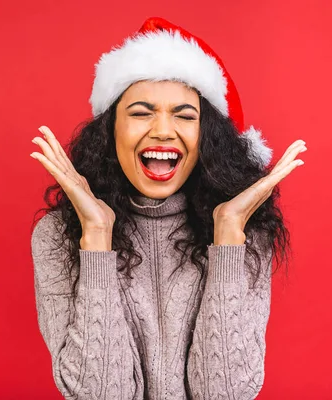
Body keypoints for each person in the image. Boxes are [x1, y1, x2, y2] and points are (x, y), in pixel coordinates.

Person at [29, 17, 306, 400]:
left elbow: (224, 393)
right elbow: (101, 394)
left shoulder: (246, 233)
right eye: (142, 112)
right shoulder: (59, 236)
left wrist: (227, 238)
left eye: (184, 115)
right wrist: (95, 238)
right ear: (110, 130)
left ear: (207, 136)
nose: (162, 130)